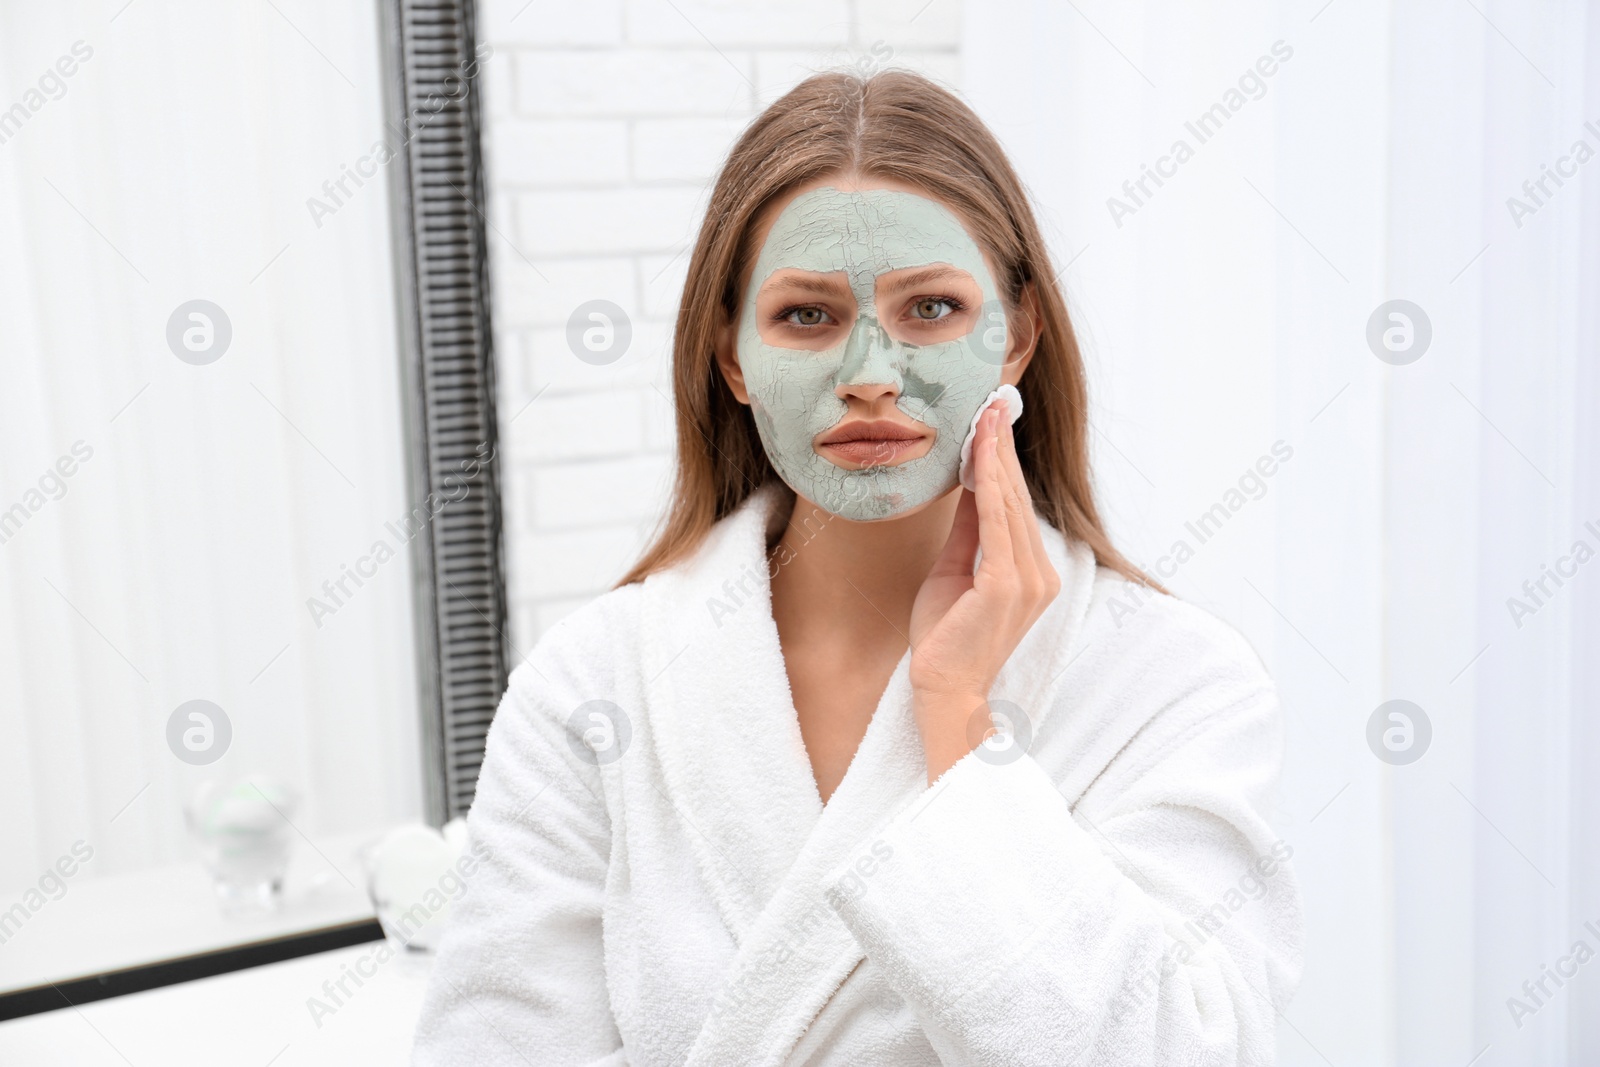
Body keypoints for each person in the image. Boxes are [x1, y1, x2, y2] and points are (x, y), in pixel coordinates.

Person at [412, 68, 1303, 1066]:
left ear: (1017, 339)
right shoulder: (590, 688)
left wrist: (959, 716)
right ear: (732, 356)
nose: (872, 371)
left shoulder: (1174, 685)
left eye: (931, 308)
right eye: (807, 315)